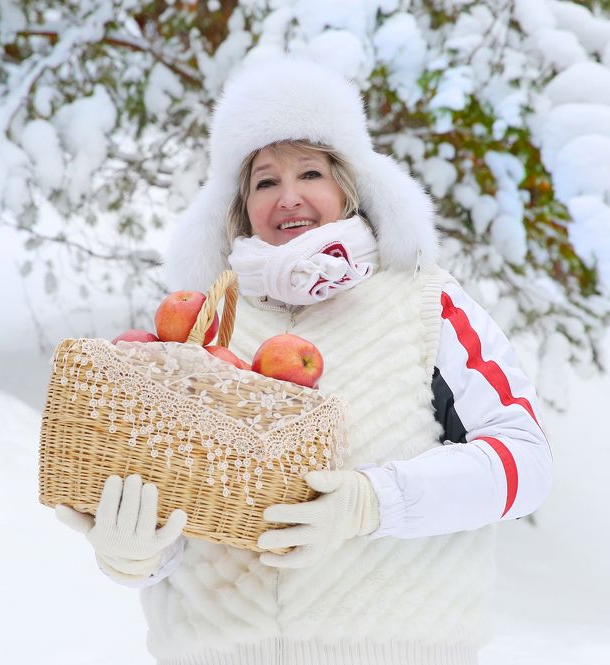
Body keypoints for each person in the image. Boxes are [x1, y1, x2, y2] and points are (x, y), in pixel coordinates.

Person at [55, 56, 553, 664]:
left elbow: (524, 464)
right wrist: (136, 553)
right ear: (239, 206)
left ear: (349, 187)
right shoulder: (200, 329)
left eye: (310, 172)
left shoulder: (425, 303)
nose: (288, 197)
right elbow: (179, 520)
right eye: (265, 181)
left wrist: (373, 502)